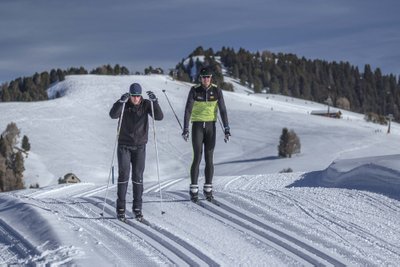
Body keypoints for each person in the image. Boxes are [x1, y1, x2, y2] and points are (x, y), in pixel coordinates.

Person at [109, 83, 163, 221]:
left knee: (138, 177)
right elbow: (112, 115)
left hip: (140, 146)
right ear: (130, 95)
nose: (135, 99)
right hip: (124, 146)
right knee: (124, 175)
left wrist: (155, 102)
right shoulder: (125, 104)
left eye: (138, 96)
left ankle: (137, 208)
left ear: (141, 95)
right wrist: (120, 102)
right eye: (133, 96)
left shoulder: (145, 104)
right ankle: (120, 208)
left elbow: (159, 117)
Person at [182, 67, 230, 202]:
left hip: (211, 126)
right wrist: (186, 128)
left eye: (208, 77)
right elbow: (188, 110)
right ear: (200, 78)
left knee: (209, 158)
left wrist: (226, 128)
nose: (206, 79)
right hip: (197, 125)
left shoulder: (216, 90)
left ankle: (208, 189)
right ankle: (194, 189)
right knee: (197, 157)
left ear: (211, 78)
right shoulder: (194, 90)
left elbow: (223, 110)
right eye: (203, 77)